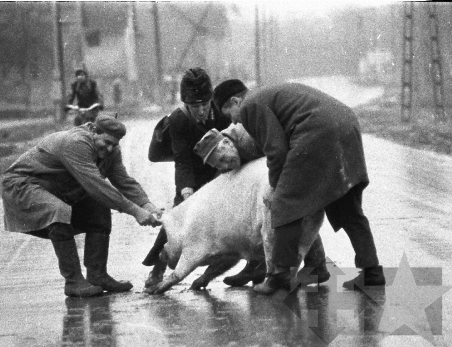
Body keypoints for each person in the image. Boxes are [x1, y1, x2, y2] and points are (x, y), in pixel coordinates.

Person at [212, 79, 385, 294]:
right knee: (346, 205)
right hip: (345, 123)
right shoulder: (266, 93)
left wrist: (277, 189)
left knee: (285, 204)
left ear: (235, 101)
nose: (234, 121)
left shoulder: (250, 105)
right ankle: (372, 272)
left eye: (229, 113)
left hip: (317, 131)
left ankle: (280, 276)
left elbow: (276, 150)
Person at [1, 115, 162, 298]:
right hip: (22, 185)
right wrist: (134, 211)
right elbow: (96, 185)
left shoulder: (111, 151)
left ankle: (97, 275)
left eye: (114, 145)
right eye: (106, 142)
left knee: (98, 207)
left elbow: (123, 180)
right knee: (58, 210)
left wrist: (147, 205)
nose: (109, 148)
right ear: (93, 130)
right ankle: (73, 282)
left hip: (55, 188)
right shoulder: (76, 143)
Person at [143, 67, 264, 288]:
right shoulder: (178, 120)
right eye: (194, 106)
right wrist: (186, 190)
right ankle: (158, 265)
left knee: (242, 217)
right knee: (179, 215)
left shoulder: (221, 111)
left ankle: (252, 266)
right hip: (195, 170)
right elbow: (183, 161)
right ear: (185, 104)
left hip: (226, 165)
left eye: (204, 105)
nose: (200, 111)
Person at [193, 126, 330, 287]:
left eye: (223, 160)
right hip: (284, 169)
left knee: (292, 212)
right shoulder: (231, 152)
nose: (224, 166)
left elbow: (278, 156)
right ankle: (256, 267)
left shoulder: (251, 139)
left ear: (227, 143)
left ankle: (314, 265)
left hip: (297, 162)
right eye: (218, 165)